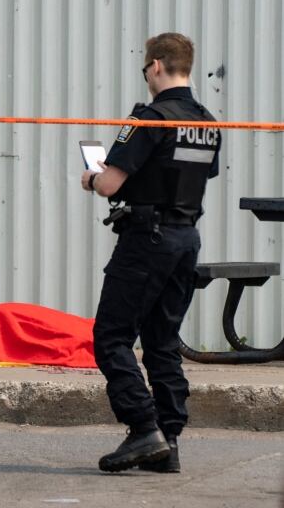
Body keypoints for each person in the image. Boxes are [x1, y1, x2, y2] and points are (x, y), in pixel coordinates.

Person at [80, 32, 221, 473]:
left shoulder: (149, 119)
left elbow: (109, 184)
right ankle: (169, 440)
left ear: (156, 66)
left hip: (148, 240)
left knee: (111, 337)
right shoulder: (206, 120)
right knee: (162, 340)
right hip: (185, 241)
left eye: (145, 68)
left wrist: (91, 176)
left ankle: (144, 427)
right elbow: (200, 173)